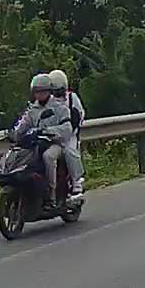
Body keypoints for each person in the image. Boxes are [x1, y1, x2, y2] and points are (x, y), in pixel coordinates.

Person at [12, 73, 74, 208]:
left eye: (42, 91)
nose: (39, 95)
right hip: (37, 144)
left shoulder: (59, 107)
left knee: (48, 157)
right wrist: (14, 134)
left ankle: (51, 196)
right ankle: (31, 192)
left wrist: (48, 131)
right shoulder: (33, 109)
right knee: (24, 157)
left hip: (55, 144)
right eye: (36, 92)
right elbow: (23, 125)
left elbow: (67, 128)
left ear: (48, 91)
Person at [46, 69, 85, 199]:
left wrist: (72, 128)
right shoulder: (47, 101)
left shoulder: (72, 98)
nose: (56, 94)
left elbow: (80, 114)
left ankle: (76, 182)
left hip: (69, 135)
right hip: (51, 135)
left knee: (70, 152)